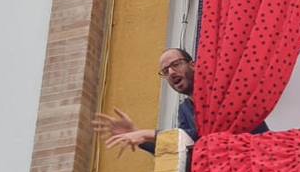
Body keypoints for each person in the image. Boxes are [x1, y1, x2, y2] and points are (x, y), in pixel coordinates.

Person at [92, 47, 267, 154]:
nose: (171, 73)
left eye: (176, 65)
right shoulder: (186, 109)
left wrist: (147, 134)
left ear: (193, 65)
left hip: (258, 162)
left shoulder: (221, 92)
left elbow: (204, 136)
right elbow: (182, 148)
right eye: (165, 71)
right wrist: (139, 137)